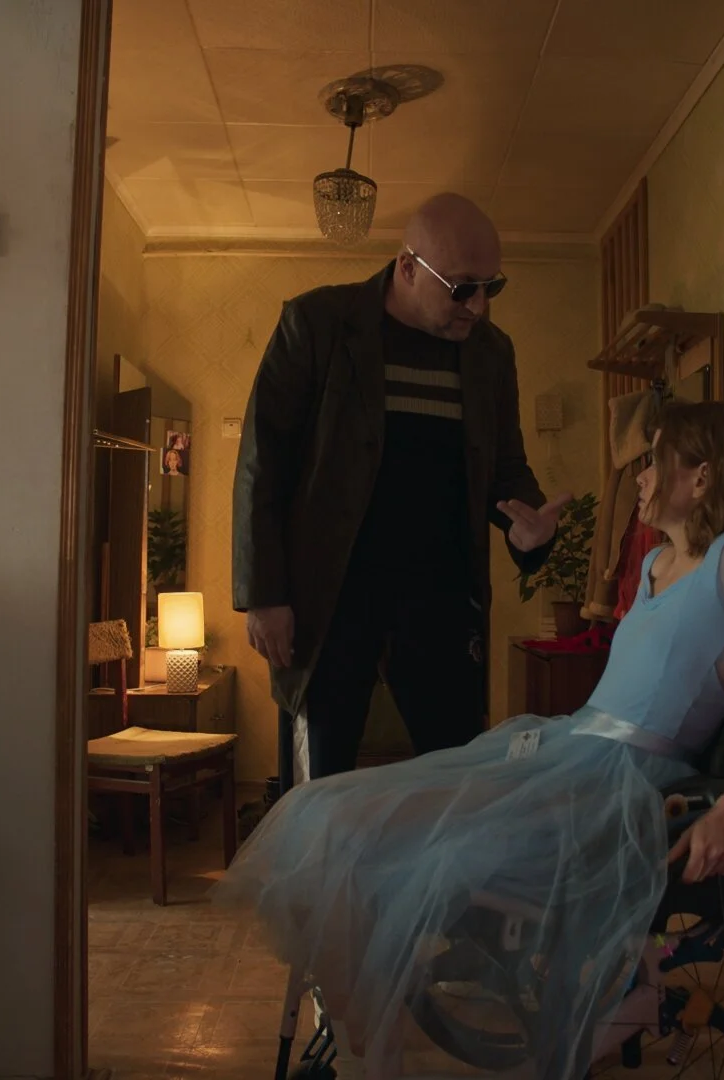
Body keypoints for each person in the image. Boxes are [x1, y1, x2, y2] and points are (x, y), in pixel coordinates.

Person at [215, 401, 724, 1078]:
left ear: (703, 477)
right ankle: (373, 1043)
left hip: (616, 780)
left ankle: (385, 1051)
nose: (640, 477)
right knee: (327, 816)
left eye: (653, 460)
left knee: (359, 832)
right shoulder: (656, 562)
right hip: (565, 748)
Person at [232, 192, 565, 788]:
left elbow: (505, 467)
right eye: (463, 288)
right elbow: (264, 463)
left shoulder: (492, 353)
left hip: (441, 600)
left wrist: (531, 528)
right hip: (329, 599)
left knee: (456, 780)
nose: (480, 306)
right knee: (319, 788)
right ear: (408, 268)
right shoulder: (316, 324)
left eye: (492, 286)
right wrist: (263, 594)